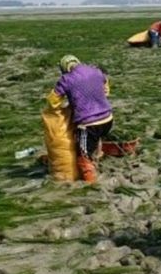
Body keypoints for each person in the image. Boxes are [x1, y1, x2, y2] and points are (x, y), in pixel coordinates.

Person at [46, 55, 113, 183]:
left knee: (83, 156)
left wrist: (57, 110)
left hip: (88, 124)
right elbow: (105, 87)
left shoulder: (66, 79)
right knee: (96, 139)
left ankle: (91, 183)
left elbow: (52, 100)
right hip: (107, 118)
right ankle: (98, 158)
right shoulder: (96, 71)